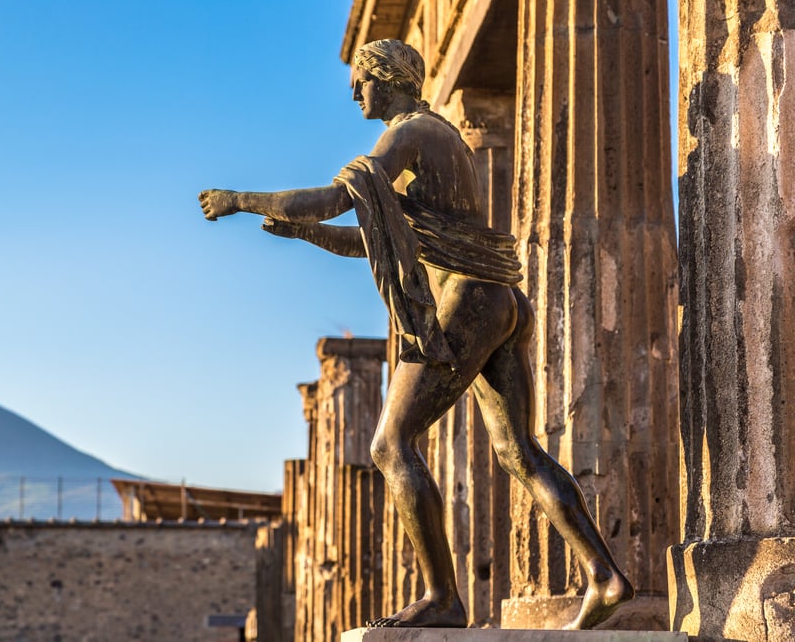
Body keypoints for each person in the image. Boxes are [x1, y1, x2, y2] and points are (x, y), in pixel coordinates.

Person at [198, 39, 632, 630]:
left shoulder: (412, 133)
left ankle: (443, 600)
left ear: (389, 79)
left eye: (362, 81)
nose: (354, 93)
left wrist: (239, 200)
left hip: (467, 302)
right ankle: (604, 577)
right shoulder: (442, 140)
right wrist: (303, 237)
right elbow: (375, 239)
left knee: (389, 444)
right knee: (518, 452)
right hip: (497, 301)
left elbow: (331, 200)